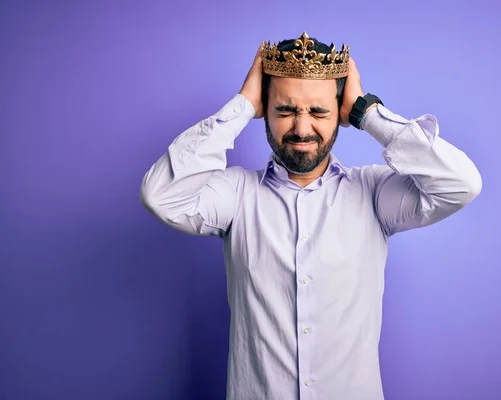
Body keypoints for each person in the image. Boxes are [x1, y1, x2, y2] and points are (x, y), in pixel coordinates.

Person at [140, 32, 482, 400]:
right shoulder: (236, 196)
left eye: (319, 111)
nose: (302, 130)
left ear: (340, 114)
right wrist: (240, 106)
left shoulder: (373, 194)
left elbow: (461, 183)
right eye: (285, 110)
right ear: (264, 110)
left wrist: (368, 112)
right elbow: (162, 196)